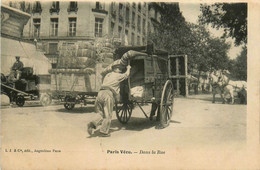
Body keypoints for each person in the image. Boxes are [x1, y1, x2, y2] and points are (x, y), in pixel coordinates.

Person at [87, 60, 131, 137]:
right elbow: (126, 75)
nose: (120, 70)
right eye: (119, 69)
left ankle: (92, 123)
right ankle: (104, 132)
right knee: (108, 114)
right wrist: (128, 68)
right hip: (108, 94)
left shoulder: (107, 75)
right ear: (115, 69)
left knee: (100, 113)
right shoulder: (117, 75)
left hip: (100, 93)